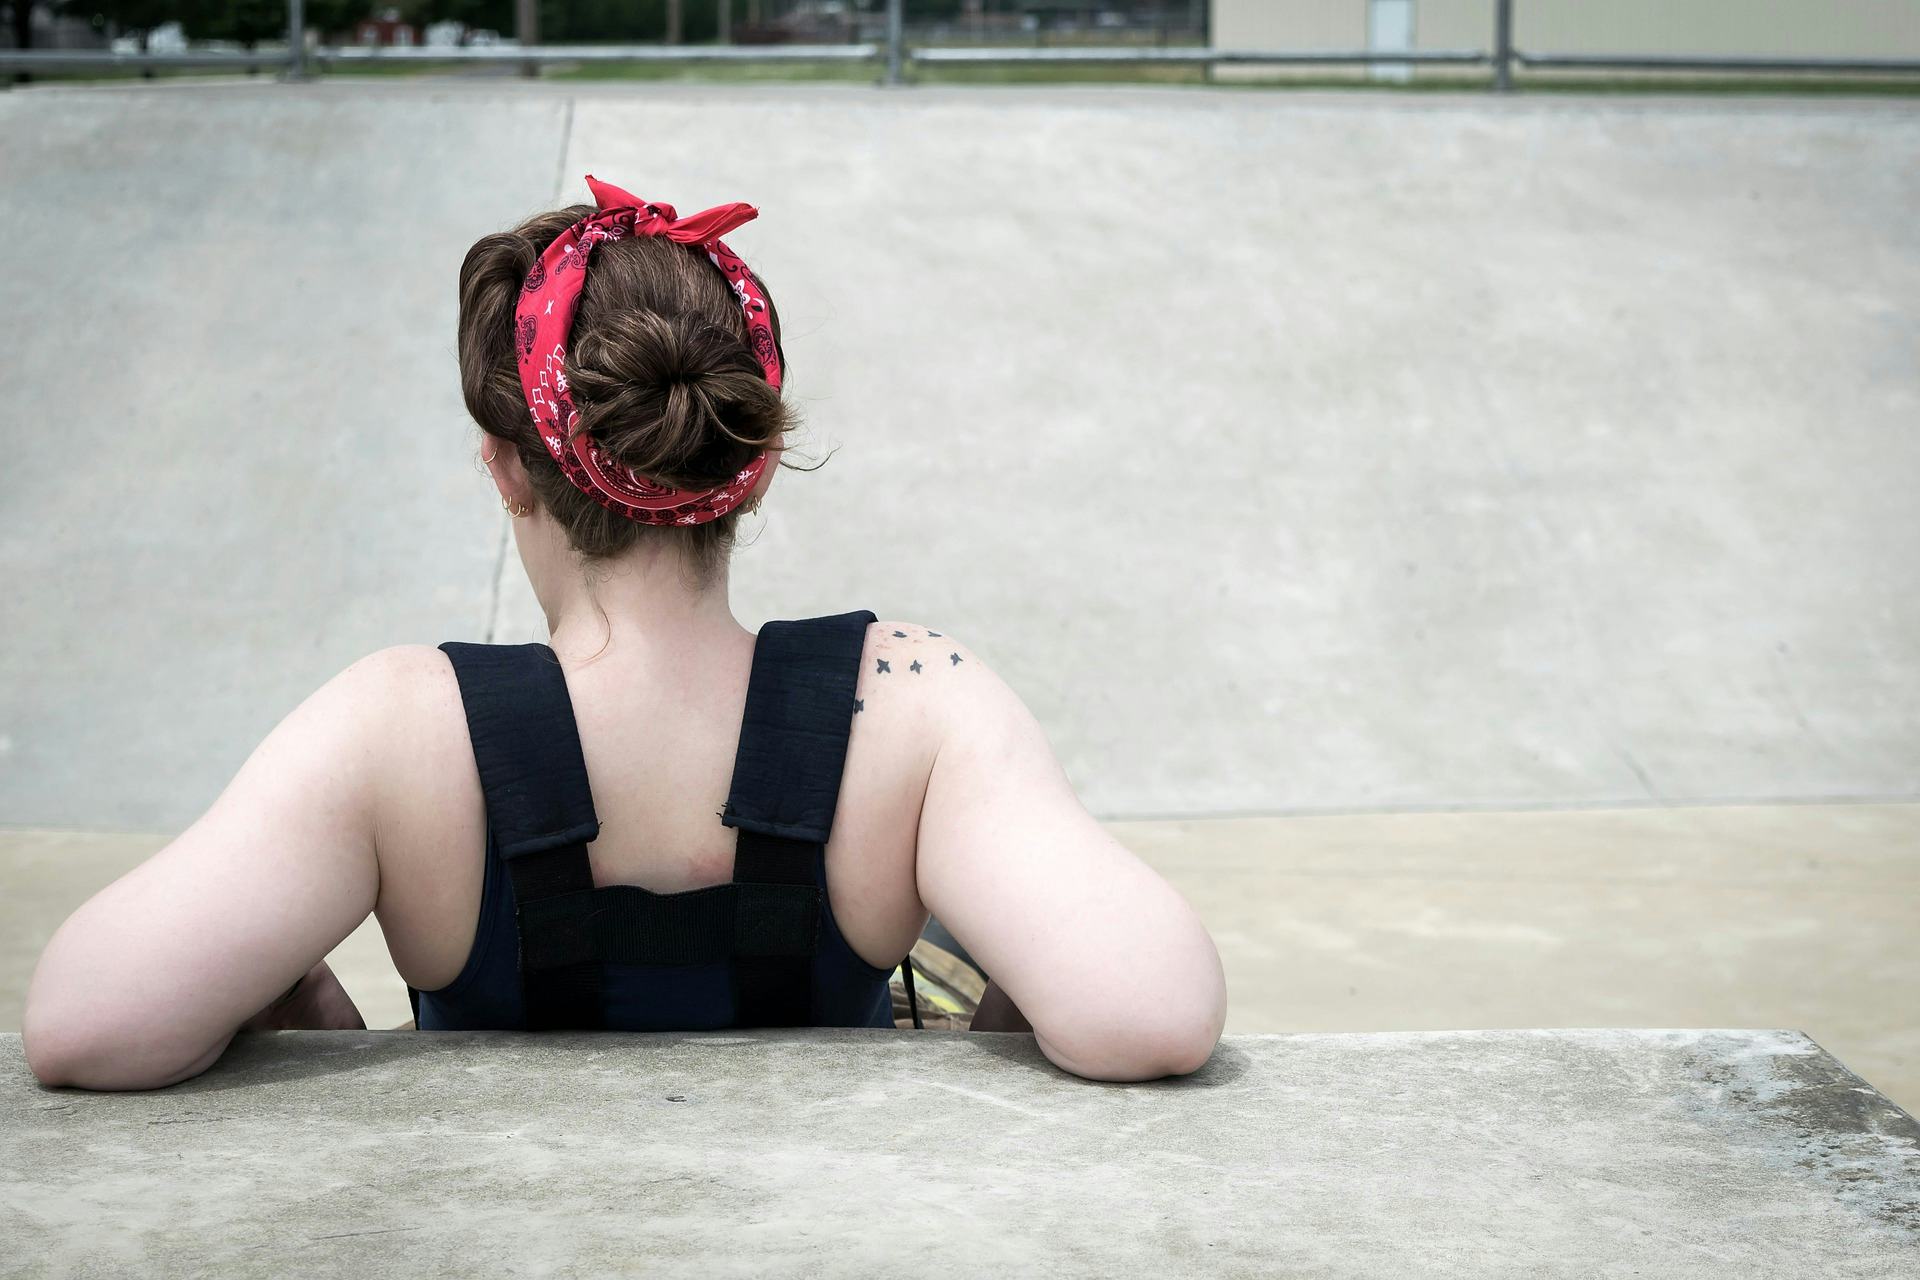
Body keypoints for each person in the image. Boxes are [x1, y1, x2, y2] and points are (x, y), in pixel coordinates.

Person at [22, 178, 1227, 1091]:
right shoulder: (914, 701)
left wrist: (307, 1014)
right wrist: (991, 1028)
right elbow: (1151, 1009)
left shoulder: (398, 728)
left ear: (507, 469)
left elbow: (86, 1020)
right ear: (753, 465)